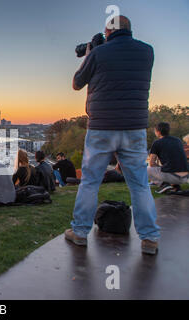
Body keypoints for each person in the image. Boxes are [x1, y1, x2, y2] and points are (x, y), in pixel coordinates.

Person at [66, 15, 161, 255]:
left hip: (101, 127)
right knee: (139, 185)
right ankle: (149, 238)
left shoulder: (98, 54)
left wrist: (90, 53)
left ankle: (79, 232)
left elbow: (77, 83)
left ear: (108, 31)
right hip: (134, 127)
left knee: (90, 182)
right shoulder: (147, 52)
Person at [147, 122, 189, 193]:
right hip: (185, 177)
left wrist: (160, 168)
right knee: (169, 167)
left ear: (158, 132)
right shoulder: (177, 140)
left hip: (173, 176)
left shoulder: (157, 143)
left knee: (145, 169)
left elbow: (151, 163)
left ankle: (164, 185)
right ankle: (175, 186)